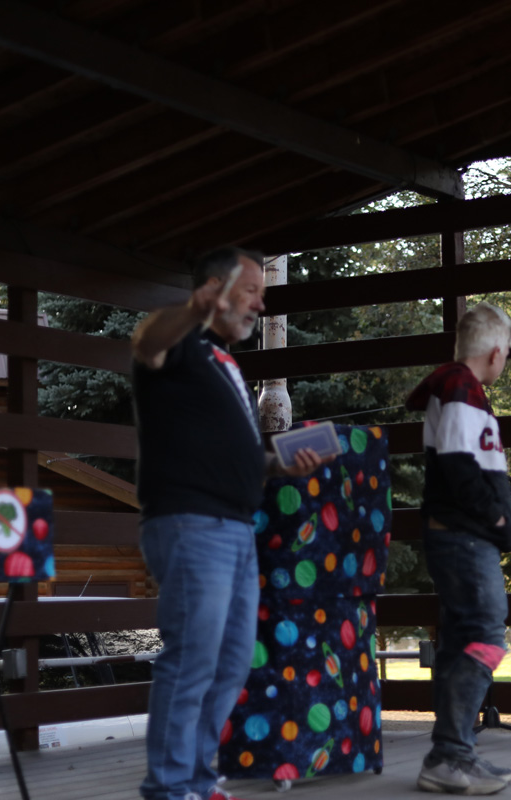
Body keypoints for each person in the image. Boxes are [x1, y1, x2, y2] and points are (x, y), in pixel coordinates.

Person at [131, 246, 326, 800]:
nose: (261, 305)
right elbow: (146, 343)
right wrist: (193, 309)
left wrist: (281, 464)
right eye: (252, 292)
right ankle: (170, 788)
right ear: (214, 290)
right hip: (191, 524)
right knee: (192, 658)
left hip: (236, 528)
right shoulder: (179, 344)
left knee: (231, 661)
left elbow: (237, 455)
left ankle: (194, 779)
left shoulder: (225, 363)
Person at [405, 302, 511, 795]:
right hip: (463, 537)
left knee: (459, 642)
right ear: (495, 352)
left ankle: (450, 756)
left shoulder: (461, 389)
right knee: (488, 634)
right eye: (507, 352)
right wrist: (496, 516)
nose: (506, 360)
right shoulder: (460, 388)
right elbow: (457, 463)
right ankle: (452, 753)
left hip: (461, 535)